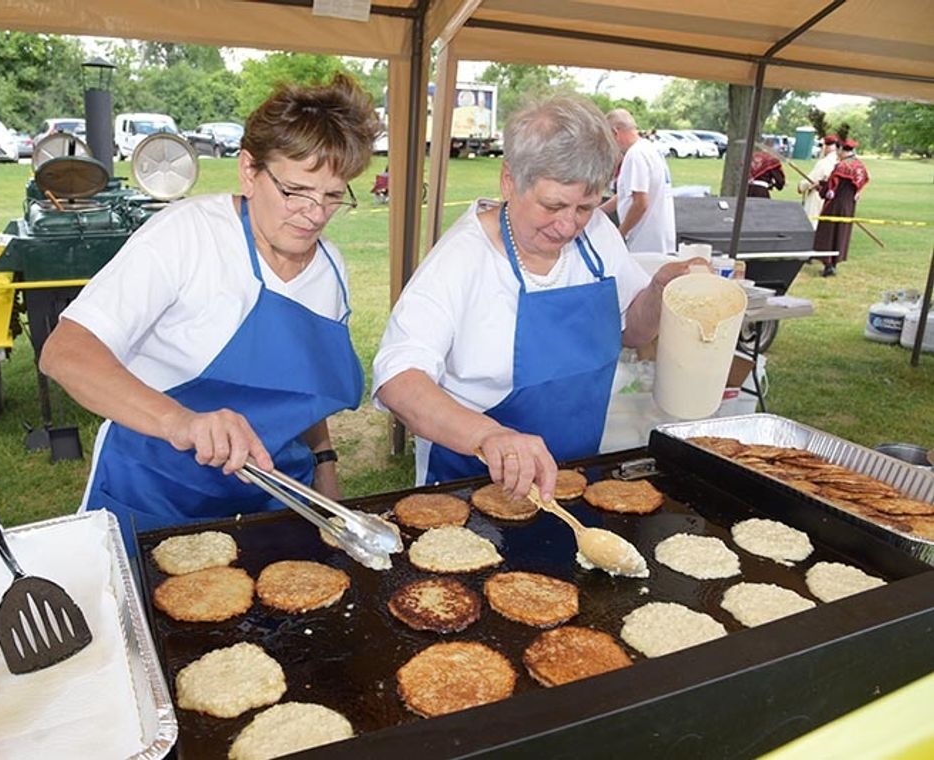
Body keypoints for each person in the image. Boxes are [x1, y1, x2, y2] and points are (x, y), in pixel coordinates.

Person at [39, 73, 380, 541]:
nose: (315, 214)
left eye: (333, 196)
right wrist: (180, 421)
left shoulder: (331, 269)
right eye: (296, 191)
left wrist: (325, 467)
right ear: (249, 170)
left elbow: (305, 388)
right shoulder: (187, 236)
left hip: (275, 501)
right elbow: (65, 353)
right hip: (154, 499)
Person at [372, 96, 701, 502]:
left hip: (574, 481)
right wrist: (488, 435)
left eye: (585, 206)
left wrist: (658, 291)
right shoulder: (462, 259)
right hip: (473, 489)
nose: (567, 225)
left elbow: (632, 330)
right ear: (509, 180)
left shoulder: (598, 236)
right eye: (553, 205)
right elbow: (398, 380)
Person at [600, 109, 675, 253]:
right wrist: (599, 212)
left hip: (644, 243)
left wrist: (619, 234)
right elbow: (626, 194)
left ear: (615, 133)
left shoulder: (635, 155)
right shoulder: (650, 149)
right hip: (660, 240)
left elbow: (640, 203)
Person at [812, 136, 869, 277]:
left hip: (836, 204)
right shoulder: (859, 165)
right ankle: (834, 262)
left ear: (842, 149)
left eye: (838, 149)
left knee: (829, 232)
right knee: (842, 232)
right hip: (849, 205)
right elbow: (861, 184)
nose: (837, 153)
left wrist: (822, 188)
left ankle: (828, 264)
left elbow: (832, 187)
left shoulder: (842, 166)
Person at [798, 135, 838, 228]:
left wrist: (801, 186)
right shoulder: (839, 161)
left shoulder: (824, 163)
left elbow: (811, 180)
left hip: (818, 195)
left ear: (826, 147)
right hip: (831, 198)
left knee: (811, 223)